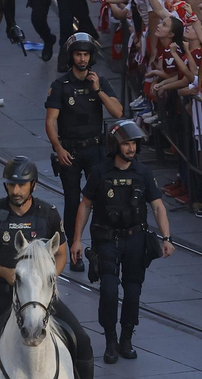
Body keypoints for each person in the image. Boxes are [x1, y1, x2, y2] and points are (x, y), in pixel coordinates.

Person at [0, 157, 93, 379]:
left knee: (83, 342)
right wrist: (4, 272)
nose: (16, 191)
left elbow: (61, 253)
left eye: (21, 185)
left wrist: (47, 280)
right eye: (11, 185)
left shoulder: (48, 214)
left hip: (40, 297)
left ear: (33, 185)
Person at [71, 120, 174, 364]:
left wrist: (167, 237)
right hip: (108, 238)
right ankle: (110, 340)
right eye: (126, 144)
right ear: (115, 145)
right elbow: (85, 205)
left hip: (136, 239)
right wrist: (76, 240)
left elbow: (158, 206)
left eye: (134, 144)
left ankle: (126, 338)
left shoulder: (143, 173)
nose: (131, 149)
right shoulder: (100, 172)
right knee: (108, 290)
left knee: (133, 291)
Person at [44, 35, 122, 266]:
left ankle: (97, 249)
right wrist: (58, 148)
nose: (82, 59)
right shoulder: (60, 86)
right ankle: (73, 248)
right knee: (72, 201)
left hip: (95, 149)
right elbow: (50, 121)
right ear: (71, 57)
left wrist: (98, 90)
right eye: (78, 54)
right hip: (70, 152)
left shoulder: (100, 82)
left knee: (100, 200)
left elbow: (118, 112)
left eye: (86, 55)